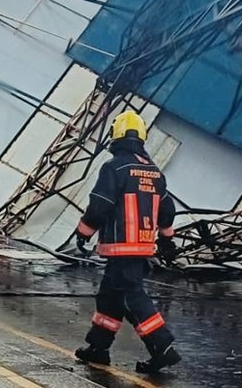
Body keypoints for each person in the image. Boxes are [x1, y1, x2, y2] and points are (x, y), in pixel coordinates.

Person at [73, 110, 181, 374]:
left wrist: (83, 231)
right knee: (109, 297)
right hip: (141, 246)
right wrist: (167, 240)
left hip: (121, 247)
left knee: (133, 298)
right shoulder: (155, 172)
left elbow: (100, 205)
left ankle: (163, 348)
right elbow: (166, 209)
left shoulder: (114, 167)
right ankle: (98, 348)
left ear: (116, 135)